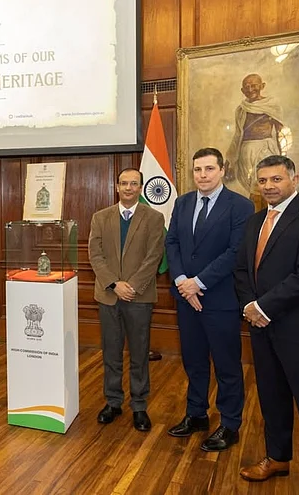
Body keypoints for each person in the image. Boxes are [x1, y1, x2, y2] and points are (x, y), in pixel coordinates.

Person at [235, 155, 299, 493]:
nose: (268, 186)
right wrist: (249, 306)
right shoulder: (255, 221)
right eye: (263, 180)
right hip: (260, 327)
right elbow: (242, 270)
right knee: (271, 397)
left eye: (276, 179)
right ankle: (278, 458)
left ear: (295, 179)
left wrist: (263, 307)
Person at [165, 148, 254, 451]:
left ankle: (230, 424)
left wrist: (197, 283)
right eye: (197, 170)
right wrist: (182, 281)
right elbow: (172, 243)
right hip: (186, 298)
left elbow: (235, 252)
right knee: (194, 361)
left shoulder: (240, 206)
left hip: (219, 299)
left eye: (209, 169)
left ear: (222, 170)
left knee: (227, 366)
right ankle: (196, 414)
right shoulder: (182, 202)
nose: (202, 175)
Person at [88, 168, 165, 432]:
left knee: (139, 353)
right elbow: (95, 255)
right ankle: (113, 402)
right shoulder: (100, 217)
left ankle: (139, 405)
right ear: (117, 187)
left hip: (138, 296)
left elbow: (154, 256)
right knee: (111, 353)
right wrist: (114, 284)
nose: (129, 188)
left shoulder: (154, 218)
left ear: (141, 188)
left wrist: (131, 286)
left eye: (134, 184)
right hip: (108, 296)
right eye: (124, 183)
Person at [226, 73, 284, 206]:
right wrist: (230, 158)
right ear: (242, 90)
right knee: (252, 186)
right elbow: (238, 134)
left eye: (254, 86)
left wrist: (282, 157)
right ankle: (255, 212)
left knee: (262, 184)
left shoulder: (271, 105)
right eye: (246, 87)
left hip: (265, 149)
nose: (250, 89)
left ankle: (265, 211)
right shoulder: (241, 110)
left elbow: (280, 132)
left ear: (262, 86)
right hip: (246, 152)